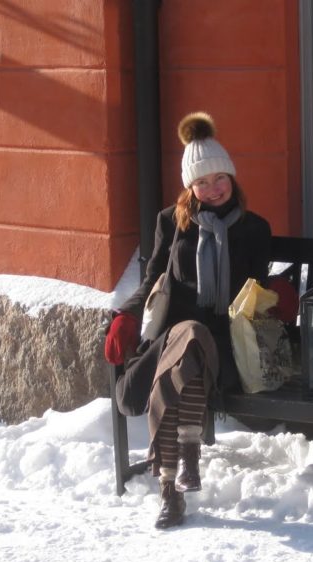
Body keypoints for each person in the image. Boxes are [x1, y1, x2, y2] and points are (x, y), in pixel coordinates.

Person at [104, 112, 272, 529]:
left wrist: (277, 298)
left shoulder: (254, 229)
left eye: (220, 178)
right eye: (202, 182)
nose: (213, 189)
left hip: (225, 346)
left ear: (232, 178)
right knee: (187, 344)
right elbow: (152, 282)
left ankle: (170, 491)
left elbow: (257, 295)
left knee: (188, 355)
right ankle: (185, 466)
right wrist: (125, 315)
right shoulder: (171, 223)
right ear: (190, 187)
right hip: (173, 339)